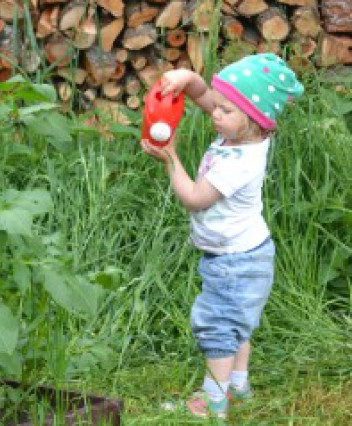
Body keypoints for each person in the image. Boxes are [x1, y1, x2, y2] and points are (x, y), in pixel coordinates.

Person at [140, 53, 304, 419]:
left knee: (217, 326)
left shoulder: (240, 162)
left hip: (235, 262)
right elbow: (205, 95)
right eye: (217, 104)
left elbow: (196, 199)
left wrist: (171, 160)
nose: (214, 113)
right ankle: (238, 386)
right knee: (237, 324)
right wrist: (186, 78)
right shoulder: (243, 132)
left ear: (254, 121)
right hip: (248, 253)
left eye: (225, 110)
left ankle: (212, 401)